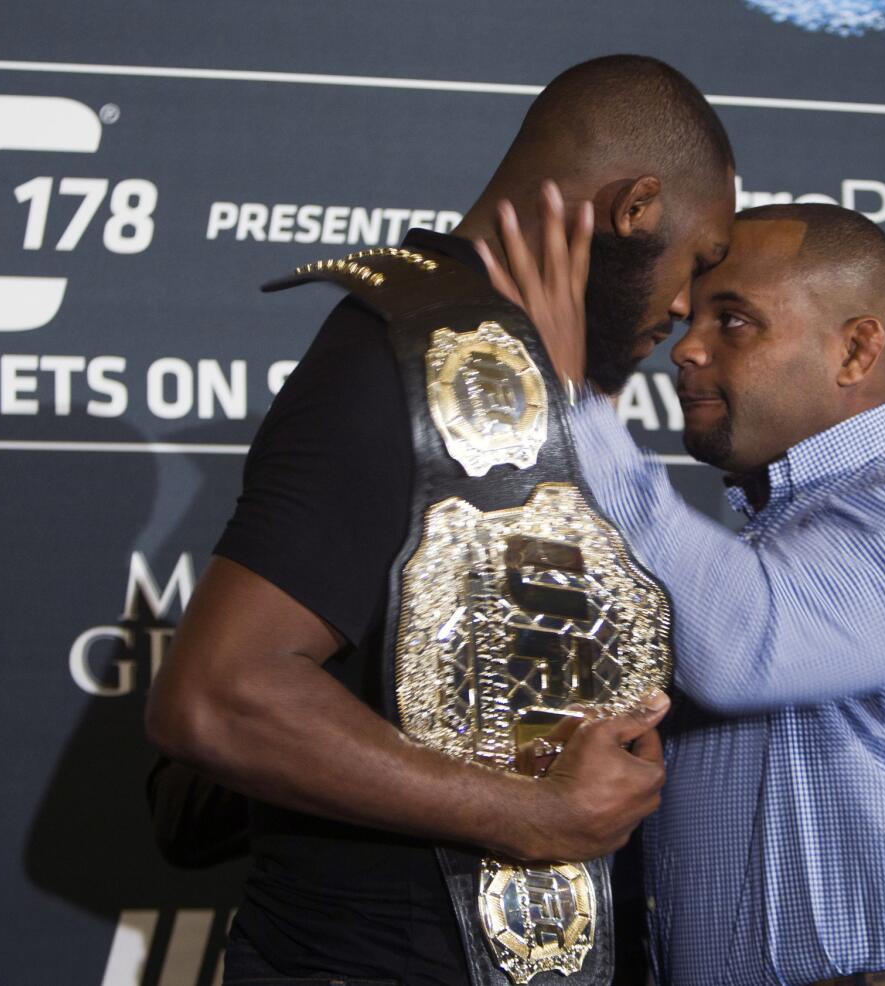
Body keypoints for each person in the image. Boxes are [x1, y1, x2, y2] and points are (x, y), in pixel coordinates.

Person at [144, 54, 735, 985]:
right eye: (696, 263)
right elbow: (219, 694)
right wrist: (532, 815)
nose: (681, 307)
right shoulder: (399, 356)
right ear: (636, 208)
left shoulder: (529, 373)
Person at [482, 201, 885, 986]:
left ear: (856, 349)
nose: (687, 350)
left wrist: (574, 406)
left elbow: (748, 647)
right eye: (691, 319)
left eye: (735, 322)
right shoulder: (757, 546)